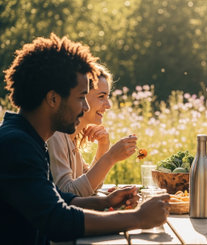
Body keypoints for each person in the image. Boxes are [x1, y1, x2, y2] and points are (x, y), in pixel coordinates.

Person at [0, 34, 169, 244]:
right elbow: (57, 220)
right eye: (81, 97)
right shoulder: (16, 146)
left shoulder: (27, 139)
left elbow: (55, 198)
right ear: (53, 99)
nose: (86, 107)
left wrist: (104, 202)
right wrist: (138, 217)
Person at [48, 63, 134, 196]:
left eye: (108, 97)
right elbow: (68, 193)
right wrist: (110, 157)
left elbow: (90, 186)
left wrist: (103, 147)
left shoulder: (71, 138)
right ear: (81, 96)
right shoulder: (56, 135)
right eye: (101, 96)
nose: (108, 105)